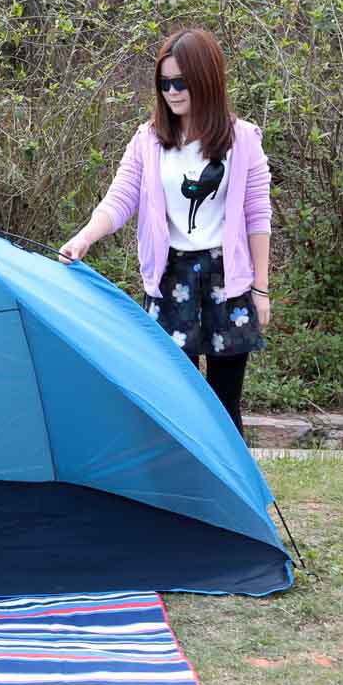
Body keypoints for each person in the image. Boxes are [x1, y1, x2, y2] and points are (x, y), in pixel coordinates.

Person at [59, 27, 271, 435]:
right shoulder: (149, 140)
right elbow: (120, 198)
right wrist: (85, 236)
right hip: (171, 279)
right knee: (177, 400)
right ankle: (181, 494)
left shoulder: (242, 140)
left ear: (206, 80)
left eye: (181, 83)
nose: (172, 92)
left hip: (228, 283)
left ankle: (235, 497)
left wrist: (260, 289)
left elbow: (257, 216)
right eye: (164, 83)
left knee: (225, 400)